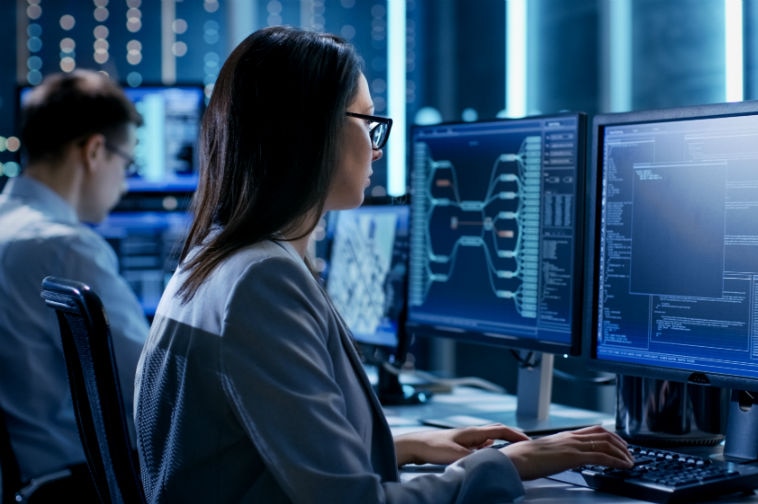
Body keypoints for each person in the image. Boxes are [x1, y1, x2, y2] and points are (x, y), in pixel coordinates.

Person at [134, 25, 633, 503]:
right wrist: (508, 464)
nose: (376, 150)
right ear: (310, 132)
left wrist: (405, 444)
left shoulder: (212, 260)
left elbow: (255, 452)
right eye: (367, 122)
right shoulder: (260, 280)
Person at [0, 70, 149, 494]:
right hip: (80, 483)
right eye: (127, 162)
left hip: (33, 482)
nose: (124, 183)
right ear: (95, 151)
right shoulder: (65, 247)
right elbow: (152, 387)